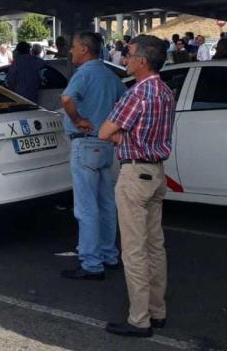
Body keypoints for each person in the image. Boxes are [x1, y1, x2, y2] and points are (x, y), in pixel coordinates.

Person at [98, 35, 176, 338]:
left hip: (134, 174)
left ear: (142, 61)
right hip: (156, 173)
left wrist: (122, 138)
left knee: (133, 251)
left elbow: (106, 131)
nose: (125, 59)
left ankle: (139, 319)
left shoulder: (136, 94)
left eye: (129, 54)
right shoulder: (165, 92)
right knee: (156, 246)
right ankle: (158, 312)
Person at [60, 32, 127, 281]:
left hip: (85, 144)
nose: (70, 51)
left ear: (85, 49)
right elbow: (125, 100)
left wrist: (77, 119)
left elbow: (66, 98)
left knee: (86, 208)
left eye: (74, 47)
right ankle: (109, 255)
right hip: (106, 145)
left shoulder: (84, 74)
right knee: (107, 204)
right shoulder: (110, 74)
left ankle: (91, 263)